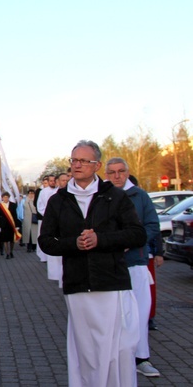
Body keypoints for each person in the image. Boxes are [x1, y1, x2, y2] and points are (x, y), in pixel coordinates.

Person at [39, 140, 147, 387]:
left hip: (112, 283)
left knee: (116, 350)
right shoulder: (59, 200)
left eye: (82, 161)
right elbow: (46, 241)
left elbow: (137, 234)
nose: (76, 165)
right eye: (73, 160)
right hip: (78, 285)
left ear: (97, 165)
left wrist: (101, 239)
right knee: (87, 353)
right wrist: (73, 244)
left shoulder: (115, 197)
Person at [105, 158, 161, 378]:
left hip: (136, 261)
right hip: (110, 263)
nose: (117, 176)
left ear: (128, 173)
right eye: (112, 172)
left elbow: (152, 225)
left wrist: (134, 240)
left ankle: (142, 358)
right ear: (106, 174)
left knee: (139, 313)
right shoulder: (101, 196)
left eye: (121, 171)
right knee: (113, 315)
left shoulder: (140, 195)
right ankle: (116, 357)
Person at [0, 192, 20, 259]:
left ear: (9, 198)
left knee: (12, 240)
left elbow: (15, 216)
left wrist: (17, 225)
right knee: (5, 240)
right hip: (4, 225)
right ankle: (7, 253)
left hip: (11, 224)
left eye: (7, 197)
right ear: (2, 198)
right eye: (4, 197)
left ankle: (11, 251)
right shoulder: (0, 205)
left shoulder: (13, 205)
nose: (5, 198)